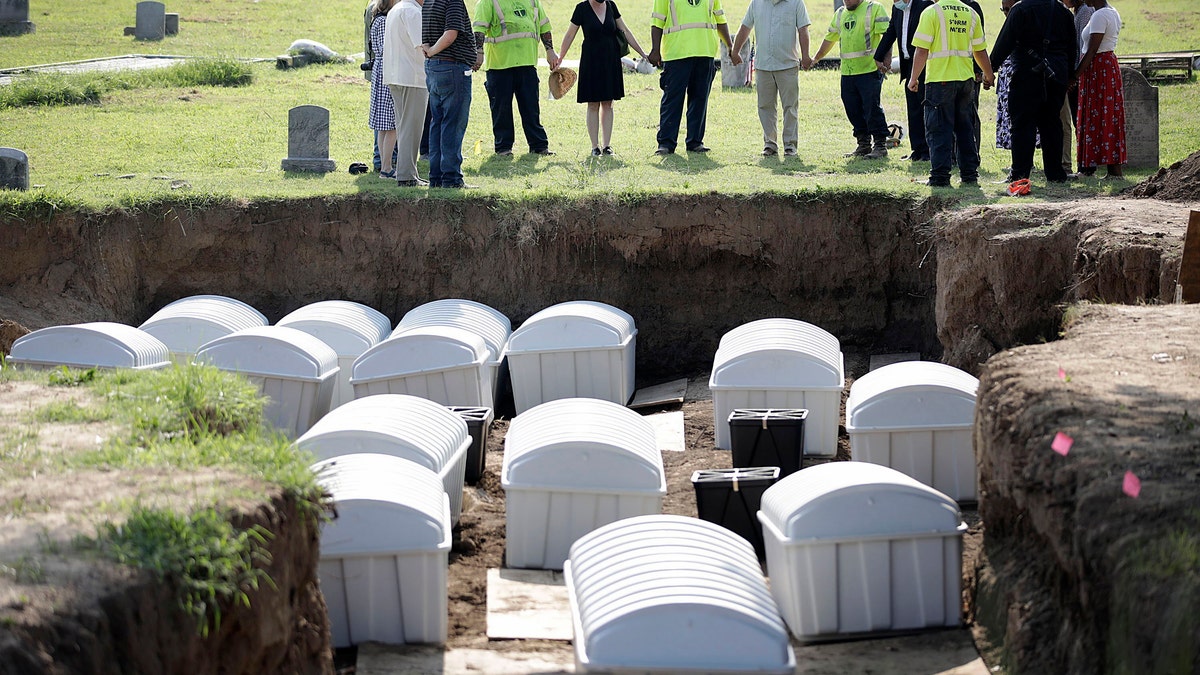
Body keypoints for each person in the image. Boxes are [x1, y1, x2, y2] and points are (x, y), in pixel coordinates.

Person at [989, 0, 1076, 185]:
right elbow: (1071, 47)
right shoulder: (1063, 11)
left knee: (1022, 124)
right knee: (1052, 123)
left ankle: (1020, 174)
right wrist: (1069, 75)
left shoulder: (1020, 9)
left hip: (1027, 74)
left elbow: (1005, 41)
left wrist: (990, 69)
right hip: (1056, 74)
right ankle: (1055, 174)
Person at [908, 0, 994, 187]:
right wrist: (989, 74)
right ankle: (969, 175)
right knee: (965, 129)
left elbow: (922, 49)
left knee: (939, 130)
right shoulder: (971, 13)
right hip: (965, 82)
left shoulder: (932, 12)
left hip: (940, 81)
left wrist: (913, 78)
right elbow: (980, 50)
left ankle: (939, 177)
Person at [558, 0, 648, 156]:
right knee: (593, 104)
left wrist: (643, 54)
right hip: (591, 61)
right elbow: (570, 34)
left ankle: (607, 146)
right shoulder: (581, 8)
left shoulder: (611, 6)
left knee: (608, 103)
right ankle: (595, 146)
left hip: (610, 61)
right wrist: (560, 59)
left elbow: (625, 31)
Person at [647, 0, 735, 155]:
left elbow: (720, 19)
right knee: (672, 100)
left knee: (699, 99)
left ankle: (695, 142)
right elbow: (657, 21)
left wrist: (729, 45)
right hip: (676, 54)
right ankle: (666, 144)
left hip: (705, 52)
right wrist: (655, 49)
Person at [473, 0, 558, 156]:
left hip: (527, 64)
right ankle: (504, 148)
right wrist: (478, 53)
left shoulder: (532, 1)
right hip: (499, 65)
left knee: (531, 109)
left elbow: (544, 26)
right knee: (501, 110)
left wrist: (550, 50)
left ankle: (539, 146)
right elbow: (479, 30)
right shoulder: (488, 2)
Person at [810, 0, 893, 159]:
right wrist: (816, 59)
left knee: (871, 107)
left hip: (869, 70)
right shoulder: (840, 13)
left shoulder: (874, 9)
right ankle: (863, 144)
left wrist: (886, 59)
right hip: (848, 72)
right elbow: (830, 39)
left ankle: (880, 145)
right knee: (852, 108)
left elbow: (887, 37)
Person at [731, 0, 813, 157]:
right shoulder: (756, 3)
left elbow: (803, 30)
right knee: (765, 106)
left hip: (788, 64)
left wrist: (806, 56)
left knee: (790, 107)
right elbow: (745, 27)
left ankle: (790, 145)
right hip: (763, 66)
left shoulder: (796, 3)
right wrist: (735, 51)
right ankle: (770, 144)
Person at [422, 0, 479, 188]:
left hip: (435, 69)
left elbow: (426, 36)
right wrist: (431, 52)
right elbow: (450, 34)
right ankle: (452, 178)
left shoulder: (429, 1)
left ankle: (436, 177)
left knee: (437, 123)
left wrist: (430, 53)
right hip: (452, 67)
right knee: (453, 124)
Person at [874, 0, 933, 161]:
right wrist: (878, 56)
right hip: (908, 65)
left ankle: (928, 150)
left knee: (925, 108)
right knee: (913, 109)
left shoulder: (925, 5)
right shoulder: (897, 9)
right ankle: (917, 149)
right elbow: (891, 31)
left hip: (924, 65)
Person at [1073, 0, 1124, 178]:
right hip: (1104, 66)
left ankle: (1092, 168)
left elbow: (1092, 50)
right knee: (1107, 116)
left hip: (1098, 68)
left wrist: (1075, 75)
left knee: (1097, 115)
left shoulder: (1099, 15)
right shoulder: (1110, 12)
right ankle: (1109, 169)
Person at [386, 0, 430, 186]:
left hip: (396, 75)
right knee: (411, 128)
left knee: (404, 127)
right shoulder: (413, 12)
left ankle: (407, 172)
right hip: (412, 76)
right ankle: (406, 175)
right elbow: (423, 46)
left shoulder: (397, 8)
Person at [369, 0, 399, 179]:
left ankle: (385, 167)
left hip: (382, 72)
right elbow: (386, 49)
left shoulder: (379, 19)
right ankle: (386, 168)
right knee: (391, 125)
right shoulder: (383, 21)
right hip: (387, 72)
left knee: (384, 126)